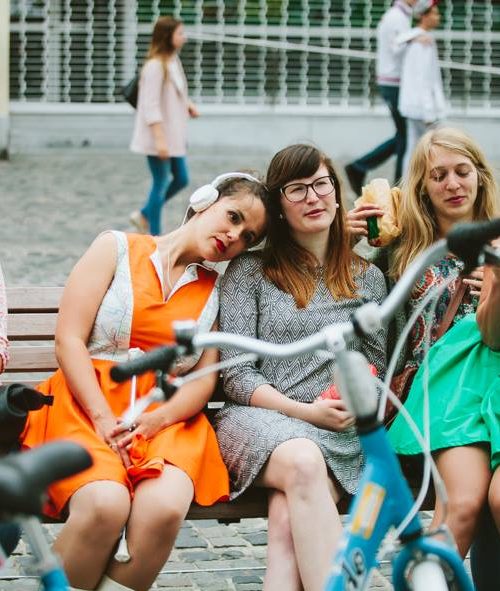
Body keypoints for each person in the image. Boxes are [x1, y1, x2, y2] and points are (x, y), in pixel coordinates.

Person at [19, 174, 268, 591]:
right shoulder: (115, 248)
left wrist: (156, 421)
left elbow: (202, 381)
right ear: (205, 201)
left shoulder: (215, 292)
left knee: (165, 508)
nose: (234, 236)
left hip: (163, 418)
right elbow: (69, 340)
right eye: (233, 217)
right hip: (86, 405)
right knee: (104, 505)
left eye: (248, 237)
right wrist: (102, 417)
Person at [214, 144, 387, 590]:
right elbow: (236, 375)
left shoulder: (367, 278)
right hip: (257, 419)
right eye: (297, 189)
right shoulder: (249, 272)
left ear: (337, 195)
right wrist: (304, 412)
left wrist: (354, 399)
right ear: (278, 205)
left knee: (286, 520)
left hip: (338, 429)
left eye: (321, 184)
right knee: (305, 462)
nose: (313, 197)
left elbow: (377, 366)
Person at [370, 128, 499, 560]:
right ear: (422, 187)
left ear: (480, 175)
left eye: (462, 171)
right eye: (438, 176)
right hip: (442, 395)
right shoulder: (403, 251)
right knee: (461, 505)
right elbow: (346, 290)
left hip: (494, 386)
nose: (453, 184)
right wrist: (347, 237)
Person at [129, 16, 198, 236]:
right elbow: (150, 105)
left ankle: (144, 214)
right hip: (159, 137)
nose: (184, 37)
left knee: (181, 178)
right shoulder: (155, 66)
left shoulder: (172, 61)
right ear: (168, 36)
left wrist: (188, 105)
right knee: (160, 182)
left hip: (173, 136)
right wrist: (160, 141)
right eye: (180, 33)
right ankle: (155, 235)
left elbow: (176, 91)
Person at [345, 0, 418, 195]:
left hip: (394, 82)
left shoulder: (400, 16)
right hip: (394, 83)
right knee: (405, 137)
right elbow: (397, 49)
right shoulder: (397, 17)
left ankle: (360, 168)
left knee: (403, 136)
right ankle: (398, 187)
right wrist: (417, 36)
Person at [399, 0, 446, 174]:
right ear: (424, 16)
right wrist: (429, 112)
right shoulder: (421, 42)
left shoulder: (418, 38)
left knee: (414, 148)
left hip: (415, 106)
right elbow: (422, 79)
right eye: (435, 13)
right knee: (431, 150)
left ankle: (408, 185)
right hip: (422, 109)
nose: (438, 17)